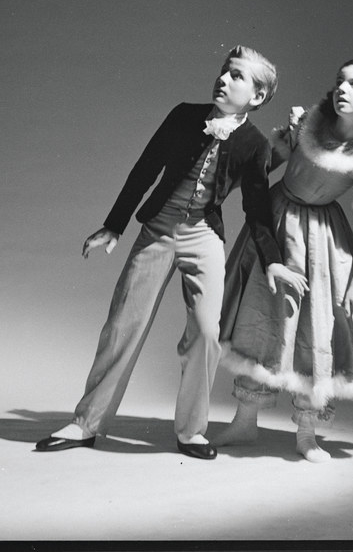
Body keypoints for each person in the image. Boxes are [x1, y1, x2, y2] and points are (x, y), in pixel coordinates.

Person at [35, 46, 308, 460]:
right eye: (223, 71)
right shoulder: (183, 115)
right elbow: (146, 169)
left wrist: (272, 260)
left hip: (204, 237)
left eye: (236, 76)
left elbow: (256, 208)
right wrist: (115, 225)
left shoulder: (254, 144)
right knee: (123, 324)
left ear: (257, 96)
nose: (223, 79)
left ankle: (192, 431)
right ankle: (86, 423)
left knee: (206, 333)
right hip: (157, 231)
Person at [214, 59, 353, 462]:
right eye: (339, 81)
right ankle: (244, 423)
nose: (342, 89)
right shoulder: (307, 124)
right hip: (277, 224)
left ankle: (307, 432)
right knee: (259, 318)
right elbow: (260, 169)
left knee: (317, 330)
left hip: (324, 242)